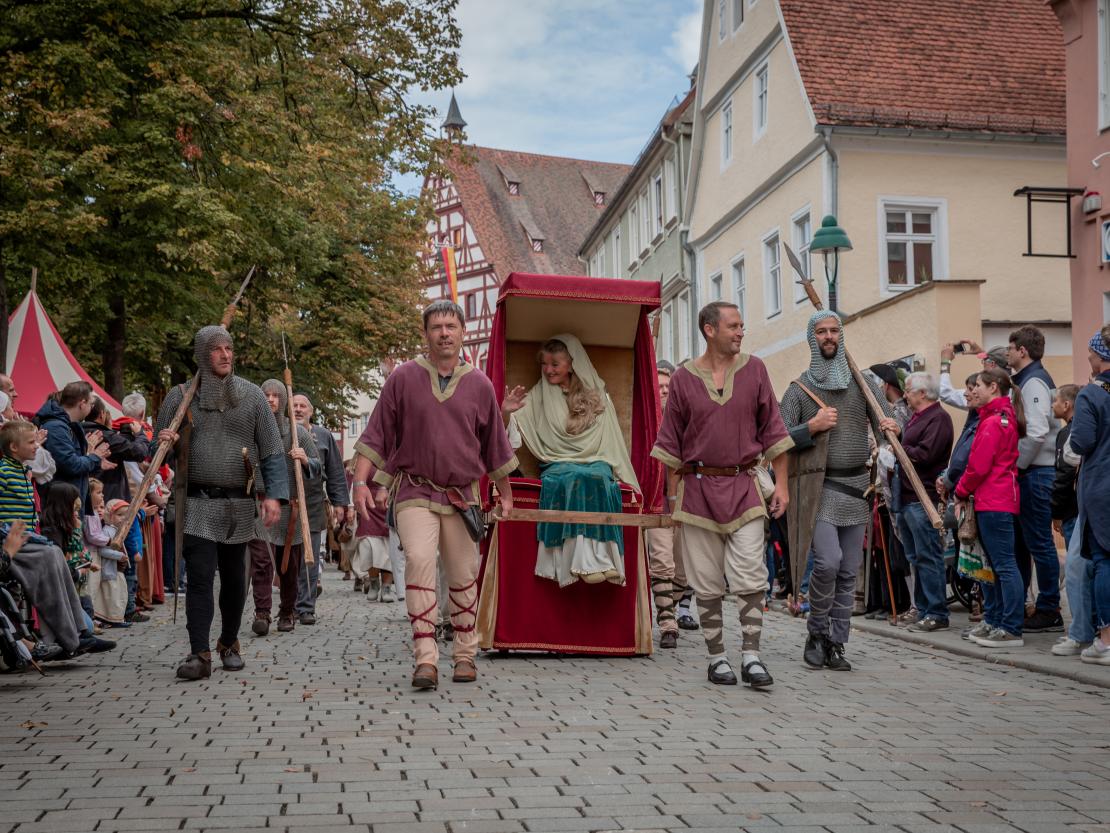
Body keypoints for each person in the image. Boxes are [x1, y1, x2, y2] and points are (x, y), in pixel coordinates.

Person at [351, 300, 516, 689]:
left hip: (462, 497)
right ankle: (425, 657)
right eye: (436, 326)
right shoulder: (404, 378)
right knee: (421, 562)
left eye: (451, 326)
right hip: (414, 490)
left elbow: (495, 447)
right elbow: (377, 433)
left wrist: (505, 494)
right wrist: (360, 482)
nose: (444, 332)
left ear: (462, 333)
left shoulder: (479, 385)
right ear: (425, 335)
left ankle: (464, 655)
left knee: (462, 575)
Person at [652, 301, 791, 688]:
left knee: (750, 573)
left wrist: (782, 486)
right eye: (733, 326)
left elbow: (776, 434)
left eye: (742, 325)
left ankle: (751, 656)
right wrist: (672, 500)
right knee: (707, 581)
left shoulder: (755, 370)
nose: (740, 332)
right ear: (710, 330)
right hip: (696, 492)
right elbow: (670, 446)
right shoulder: (682, 379)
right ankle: (717, 658)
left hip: (744, 486)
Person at [155, 325, 288, 681]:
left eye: (229, 348)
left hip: (238, 503)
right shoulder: (181, 396)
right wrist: (167, 441)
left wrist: (273, 495)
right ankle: (199, 652)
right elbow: (158, 450)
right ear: (202, 354)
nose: (225, 355)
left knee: (233, 580)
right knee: (199, 579)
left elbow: (273, 450)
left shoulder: (252, 397)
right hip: (196, 501)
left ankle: (229, 643)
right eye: (217, 349)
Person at [781, 310, 891, 672]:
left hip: (858, 486)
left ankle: (836, 641)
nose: (829, 336)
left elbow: (887, 422)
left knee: (849, 570)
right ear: (813, 340)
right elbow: (776, 441)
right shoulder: (799, 389)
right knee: (828, 563)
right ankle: (816, 633)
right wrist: (811, 426)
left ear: (840, 336)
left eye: (834, 331)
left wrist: (893, 425)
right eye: (822, 331)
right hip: (820, 486)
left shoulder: (862, 384)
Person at [501, 334, 637, 587]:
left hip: (596, 461)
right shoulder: (538, 396)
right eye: (545, 363)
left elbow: (610, 438)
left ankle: (604, 561)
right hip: (557, 464)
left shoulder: (596, 393)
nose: (548, 369)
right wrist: (506, 412)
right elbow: (511, 437)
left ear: (572, 363)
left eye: (555, 364)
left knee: (598, 477)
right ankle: (580, 564)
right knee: (575, 477)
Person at [955, 368, 1026, 648]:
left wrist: (960, 490)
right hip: (995, 498)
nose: (974, 391)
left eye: (979, 387)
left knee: (1004, 565)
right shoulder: (999, 418)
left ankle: (1010, 626)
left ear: (993, 387)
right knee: (994, 566)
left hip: (994, 500)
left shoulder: (994, 422)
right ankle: (996, 620)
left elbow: (979, 466)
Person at [249, 379, 320, 635]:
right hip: (261, 508)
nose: (269, 399)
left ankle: (288, 611)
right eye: (265, 395)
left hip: (290, 509)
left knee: (289, 566)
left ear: (282, 400)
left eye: (275, 395)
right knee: (260, 564)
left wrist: (304, 459)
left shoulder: (297, 432)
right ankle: (262, 613)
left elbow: (317, 467)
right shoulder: (252, 431)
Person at [884, 373, 954, 631]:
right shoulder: (917, 418)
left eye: (909, 391)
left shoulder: (939, 418)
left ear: (923, 393)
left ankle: (937, 612)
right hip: (906, 498)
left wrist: (897, 448)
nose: (905, 395)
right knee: (915, 556)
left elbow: (926, 454)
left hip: (923, 498)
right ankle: (924, 609)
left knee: (928, 556)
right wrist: (899, 436)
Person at [1004, 325, 1063, 633]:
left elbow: (1037, 431)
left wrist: (1018, 465)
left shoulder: (1034, 382)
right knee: (1029, 542)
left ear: (1022, 351)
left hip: (1037, 471)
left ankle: (1049, 607)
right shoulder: (1028, 379)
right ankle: (1038, 605)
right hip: (1034, 471)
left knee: (1039, 543)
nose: (1008, 353)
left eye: (1010, 349)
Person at [644, 360, 693, 647]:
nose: (663, 391)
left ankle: (670, 608)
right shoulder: (646, 421)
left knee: (683, 568)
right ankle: (668, 624)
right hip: (656, 500)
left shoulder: (688, 419)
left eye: (667, 386)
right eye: (659, 386)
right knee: (661, 561)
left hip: (686, 499)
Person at [1071, 327, 1110, 665]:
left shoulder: (1092, 395)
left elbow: (1081, 441)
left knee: (1103, 560)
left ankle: (1106, 639)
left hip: (1102, 486)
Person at [291, 393, 348, 624]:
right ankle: (289, 604)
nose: (297, 409)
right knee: (289, 558)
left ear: (311, 411)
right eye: (293, 405)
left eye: (302, 405)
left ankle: (306, 607)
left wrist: (340, 502)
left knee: (310, 557)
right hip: (286, 502)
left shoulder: (323, 436)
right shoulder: (280, 432)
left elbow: (335, 471)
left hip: (314, 502)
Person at [36, 381, 115, 511]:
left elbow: (77, 467)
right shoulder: (56, 428)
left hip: (70, 504)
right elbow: (70, 464)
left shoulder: (69, 426)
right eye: (91, 404)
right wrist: (94, 457)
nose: (91, 408)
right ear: (82, 404)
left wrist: (96, 462)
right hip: (61, 508)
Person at [84, 480, 129, 626]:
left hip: (96, 554)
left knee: (99, 589)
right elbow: (93, 536)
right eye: (98, 492)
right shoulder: (90, 515)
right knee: (92, 588)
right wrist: (109, 542)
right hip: (92, 554)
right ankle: (90, 620)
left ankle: (99, 618)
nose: (102, 495)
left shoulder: (95, 514)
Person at [939, 343, 1009, 409]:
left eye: (984, 362)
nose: (973, 392)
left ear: (992, 364)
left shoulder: (984, 394)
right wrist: (982, 352)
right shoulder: (1011, 387)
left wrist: (945, 361)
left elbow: (945, 393)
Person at [0, 420, 40, 529]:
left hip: (24, 535)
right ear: (14, 447)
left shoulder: (23, 470)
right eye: (31, 442)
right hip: (9, 537)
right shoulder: (3, 471)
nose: (37, 446)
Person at [869, 363, 911, 429]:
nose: (881, 386)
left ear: (887, 385)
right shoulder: (909, 408)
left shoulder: (897, 412)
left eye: (882, 383)